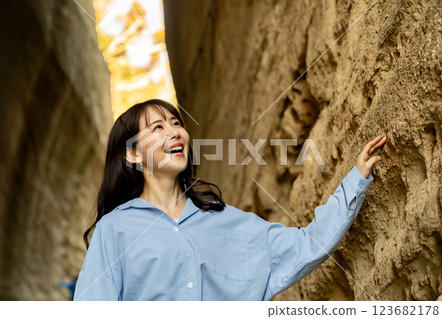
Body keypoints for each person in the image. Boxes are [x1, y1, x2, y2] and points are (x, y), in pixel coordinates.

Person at [73, 99, 386, 301]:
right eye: (158, 128)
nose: (175, 132)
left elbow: (305, 246)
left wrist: (356, 178)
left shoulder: (226, 221)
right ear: (132, 153)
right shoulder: (115, 229)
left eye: (177, 123)